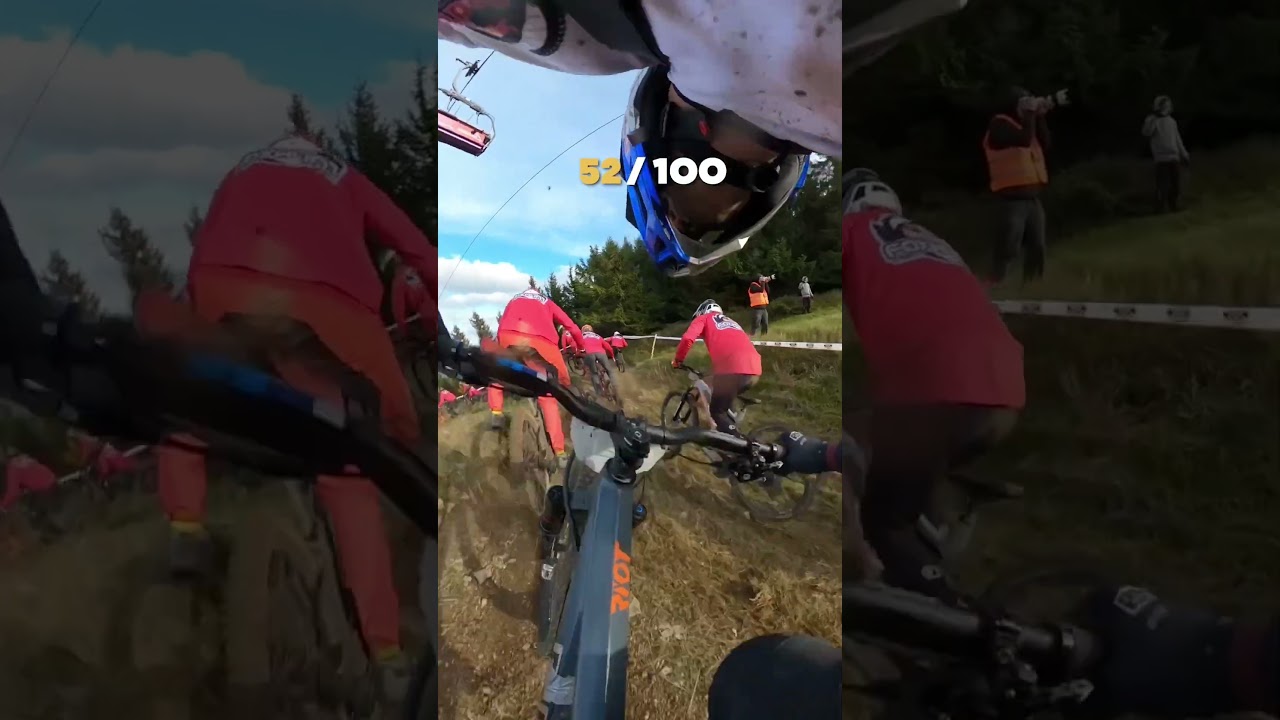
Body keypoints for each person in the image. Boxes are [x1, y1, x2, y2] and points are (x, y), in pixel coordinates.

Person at [150, 130, 436, 703]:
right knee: (357, 465)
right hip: (327, 305)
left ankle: (184, 524)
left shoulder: (241, 170)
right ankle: (387, 655)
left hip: (223, 289)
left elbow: (206, 246)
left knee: (188, 405)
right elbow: (416, 248)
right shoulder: (344, 176)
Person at [842, 167, 1024, 603]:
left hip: (936, 386)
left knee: (884, 519)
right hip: (1005, 391)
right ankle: (927, 531)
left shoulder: (849, 232)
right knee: (893, 453)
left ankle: (939, 604)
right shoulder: (935, 242)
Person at [487, 279, 586, 467]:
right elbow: (571, 326)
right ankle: (560, 452)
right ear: (538, 292)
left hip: (508, 336)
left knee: (497, 372)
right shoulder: (546, 301)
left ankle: (496, 411)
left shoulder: (513, 300)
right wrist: (581, 348)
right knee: (550, 393)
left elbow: (502, 325)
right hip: (541, 343)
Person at [983, 85, 1069, 285]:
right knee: (1008, 246)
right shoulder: (999, 124)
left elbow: (1045, 143)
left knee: (1037, 246)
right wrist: (1030, 114)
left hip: (1032, 198)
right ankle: (996, 283)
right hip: (1011, 200)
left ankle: (1033, 285)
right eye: (1024, 103)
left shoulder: (1026, 124)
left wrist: (1040, 116)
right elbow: (1023, 139)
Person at [670, 300, 761, 436]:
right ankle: (725, 426)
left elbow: (688, 338)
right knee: (716, 387)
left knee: (717, 412)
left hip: (733, 369)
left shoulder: (704, 318)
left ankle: (739, 442)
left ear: (702, 312)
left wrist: (678, 360)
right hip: (754, 369)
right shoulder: (732, 322)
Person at [1142, 95, 1190, 213]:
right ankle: (1159, 208)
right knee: (1162, 185)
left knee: (1175, 185)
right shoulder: (1152, 120)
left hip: (1174, 157)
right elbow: (1147, 133)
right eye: (1165, 105)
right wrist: (1154, 119)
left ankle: (1174, 206)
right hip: (1161, 158)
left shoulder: (1172, 122)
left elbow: (1178, 140)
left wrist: (1184, 154)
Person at [578, 324, 620, 400]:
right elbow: (608, 347)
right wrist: (612, 356)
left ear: (582, 331)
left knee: (594, 373)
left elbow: (578, 349)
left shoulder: (581, 337)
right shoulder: (597, 336)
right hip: (601, 353)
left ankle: (599, 393)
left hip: (589, 354)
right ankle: (615, 386)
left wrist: (577, 355)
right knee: (609, 371)